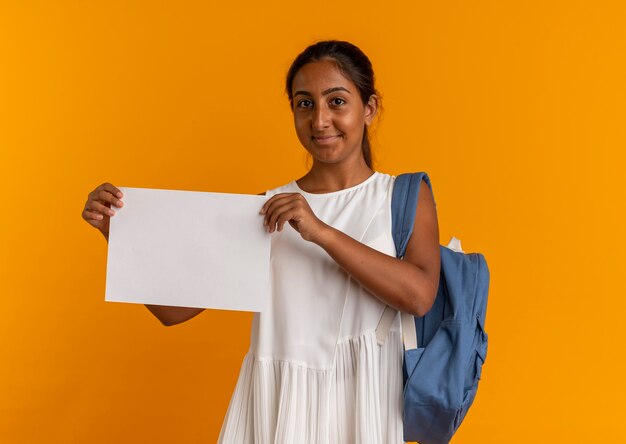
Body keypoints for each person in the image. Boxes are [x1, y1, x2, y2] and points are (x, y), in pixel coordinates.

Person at [81, 39, 440, 443]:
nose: (320, 120)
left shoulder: (401, 196)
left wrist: (319, 231)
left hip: (363, 402)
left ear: (369, 108)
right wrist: (115, 231)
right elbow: (174, 311)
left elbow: (419, 295)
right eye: (305, 104)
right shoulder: (266, 210)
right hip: (276, 403)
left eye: (336, 101)